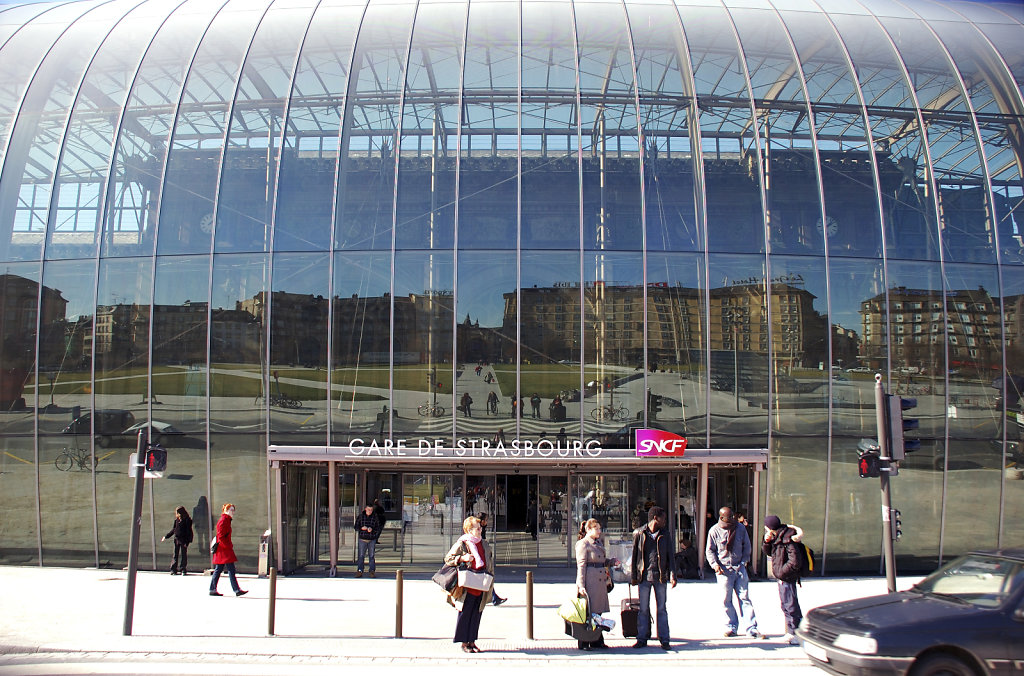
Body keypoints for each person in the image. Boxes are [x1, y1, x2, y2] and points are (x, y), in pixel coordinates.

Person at [706, 506, 763, 638]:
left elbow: (747, 546)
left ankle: (751, 628)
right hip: (724, 570)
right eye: (729, 517)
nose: (732, 519)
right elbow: (710, 550)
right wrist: (715, 565)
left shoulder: (740, 528)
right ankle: (731, 626)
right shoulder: (714, 531)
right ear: (721, 518)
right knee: (726, 600)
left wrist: (744, 562)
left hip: (740, 568)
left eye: (732, 516)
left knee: (745, 598)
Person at [444, 516, 494, 653]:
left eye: (481, 528)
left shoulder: (484, 544)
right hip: (467, 586)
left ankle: (472, 641)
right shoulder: (463, 543)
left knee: (476, 614)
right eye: (477, 528)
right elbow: (448, 558)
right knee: (465, 613)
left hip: (481, 584)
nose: (480, 530)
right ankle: (464, 642)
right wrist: (462, 558)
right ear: (469, 530)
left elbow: (489, 562)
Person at [630, 506, 676, 650]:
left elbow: (671, 556)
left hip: (660, 576)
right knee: (643, 608)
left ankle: (664, 638)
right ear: (655, 518)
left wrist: (673, 574)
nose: (665, 521)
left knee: (661, 608)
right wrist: (633, 576)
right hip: (644, 576)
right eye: (663, 518)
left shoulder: (665, 534)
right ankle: (642, 638)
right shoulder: (639, 533)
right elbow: (635, 557)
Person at [575, 518, 618, 650]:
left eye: (599, 528)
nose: (599, 531)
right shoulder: (583, 544)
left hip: (599, 581)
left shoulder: (597, 542)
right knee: (589, 612)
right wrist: (581, 585)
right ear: (589, 529)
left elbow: (601, 560)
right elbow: (581, 566)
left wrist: (611, 562)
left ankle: (596, 640)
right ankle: (584, 641)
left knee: (597, 613)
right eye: (596, 528)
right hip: (590, 581)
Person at [762, 515, 804, 644]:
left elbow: (795, 561)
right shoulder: (778, 536)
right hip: (782, 577)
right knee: (785, 605)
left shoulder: (787, 539)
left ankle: (797, 633)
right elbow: (770, 553)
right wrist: (767, 542)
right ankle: (790, 632)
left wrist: (781, 572)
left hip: (787, 577)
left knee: (791, 606)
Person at [210, 503, 247, 597]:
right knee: (229, 569)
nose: (233, 512)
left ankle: (213, 589)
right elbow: (221, 536)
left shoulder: (226, 520)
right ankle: (236, 590)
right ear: (225, 510)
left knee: (220, 569)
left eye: (233, 510)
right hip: (224, 549)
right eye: (231, 510)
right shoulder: (224, 521)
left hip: (223, 549)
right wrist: (228, 546)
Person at [476, 512, 506, 606]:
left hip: (482, 556)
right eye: (486, 520)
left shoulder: (481, 528)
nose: (487, 522)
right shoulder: (477, 529)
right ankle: (494, 598)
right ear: (482, 521)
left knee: (485, 578)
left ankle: (494, 598)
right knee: (485, 577)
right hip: (479, 557)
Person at [161, 505, 193, 575]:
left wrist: (187, 541)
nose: (177, 514)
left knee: (184, 555)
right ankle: (173, 569)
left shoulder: (187, 520)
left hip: (183, 540)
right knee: (175, 554)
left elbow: (189, 531)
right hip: (177, 539)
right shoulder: (177, 520)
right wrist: (166, 536)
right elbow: (174, 529)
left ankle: (183, 569)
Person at [354, 503, 382, 577]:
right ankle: (360, 571)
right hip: (362, 538)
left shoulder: (375, 518)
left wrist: (372, 530)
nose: (370, 511)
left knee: (371, 556)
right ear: (365, 509)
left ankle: (372, 571)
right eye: (369, 509)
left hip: (371, 539)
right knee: (361, 555)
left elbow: (378, 528)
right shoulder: (361, 517)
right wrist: (361, 528)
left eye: (371, 510)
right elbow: (356, 526)